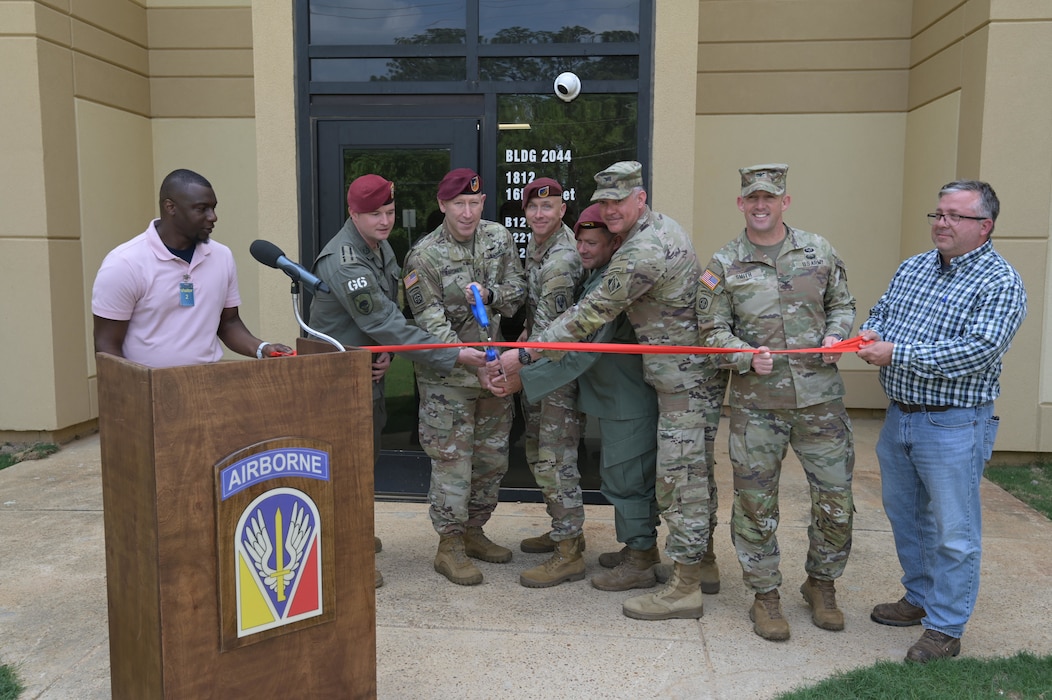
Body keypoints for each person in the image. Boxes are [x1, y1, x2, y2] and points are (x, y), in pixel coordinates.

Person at [498, 161, 725, 620]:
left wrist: (524, 359)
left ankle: (678, 579)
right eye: (604, 201)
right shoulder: (651, 232)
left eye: (618, 201)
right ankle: (696, 564)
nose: (610, 209)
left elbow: (589, 322)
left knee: (676, 480)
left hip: (680, 381)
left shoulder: (642, 250)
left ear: (639, 199)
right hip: (670, 379)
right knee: (686, 475)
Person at [858, 180, 1026, 662]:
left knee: (954, 530)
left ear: (984, 226)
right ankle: (920, 597)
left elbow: (979, 351)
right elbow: (883, 313)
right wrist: (873, 332)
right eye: (937, 214)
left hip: (954, 425)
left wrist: (896, 352)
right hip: (900, 419)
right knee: (907, 517)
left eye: (954, 216)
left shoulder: (999, 281)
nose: (941, 223)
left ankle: (946, 628)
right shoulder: (914, 267)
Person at [698, 163, 856, 642]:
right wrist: (744, 357)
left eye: (770, 197)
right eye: (752, 198)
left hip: (820, 404)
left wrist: (835, 333)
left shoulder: (819, 250)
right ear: (741, 203)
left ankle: (821, 584)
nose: (761, 205)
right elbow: (710, 333)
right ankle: (764, 595)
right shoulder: (724, 264)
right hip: (757, 406)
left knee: (836, 502)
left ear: (785, 201)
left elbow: (843, 305)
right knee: (754, 504)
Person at [308, 174, 488, 589]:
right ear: (353, 213)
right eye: (375, 214)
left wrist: (384, 352)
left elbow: (379, 323)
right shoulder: (345, 261)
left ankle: (349, 533)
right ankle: (344, 555)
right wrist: (453, 352)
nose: (386, 221)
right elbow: (385, 321)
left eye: (389, 211)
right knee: (345, 467)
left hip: (364, 373)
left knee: (362, 461)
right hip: (335, 381)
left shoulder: (377, 244)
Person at [497, 204, 664, 591]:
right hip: (612, 394)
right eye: (580, 241)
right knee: (617, 475)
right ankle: (634, 550)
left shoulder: (612, 283)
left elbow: (584, 347)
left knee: (626, 477)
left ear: (615, 243)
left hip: (626, 396)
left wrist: (525, 376)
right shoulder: (596, 274)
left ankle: (628, 557)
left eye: (593, 242)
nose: (583, 249)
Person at [402, 168, 527, 585]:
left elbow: (518, 290)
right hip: (449, 379)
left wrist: (493, 296)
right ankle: (449, 545)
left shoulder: (499, 238)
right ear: (442, 206)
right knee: (453, 463)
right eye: (459, 204)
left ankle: (475, 531)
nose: (468, 212)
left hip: (493, 371)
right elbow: (432, 327)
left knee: (492, 459)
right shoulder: (424, 257)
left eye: (475, 203)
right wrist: (475, 360)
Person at [92, 168, 293, 367]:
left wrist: (262, 348)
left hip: (208, 385)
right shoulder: (124, 263)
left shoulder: (222, 256)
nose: (213, 216)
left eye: (213, 208)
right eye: (201, 208)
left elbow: (228, 323)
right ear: (170, 207)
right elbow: (106, 346)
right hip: (150, 390)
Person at [511, 178, 588, 588]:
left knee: (556, 459)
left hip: (556, 373)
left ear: (562, 211)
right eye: (533, 208)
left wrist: (519, 362)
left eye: (549, 207)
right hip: (544, 368)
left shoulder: (561, 256)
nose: (540, 214)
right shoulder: (540, 249)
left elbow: (553, 330)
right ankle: (562, 530)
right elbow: (537, 316)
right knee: (542, 453)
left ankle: (569, 550)